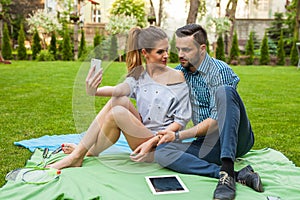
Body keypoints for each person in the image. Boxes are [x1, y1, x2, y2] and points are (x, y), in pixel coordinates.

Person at [48, 26, 191, 169]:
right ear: (145, 53)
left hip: (160, 146)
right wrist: (94, 91)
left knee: (117, 112)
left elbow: (180, 122)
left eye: (166, 49)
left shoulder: (178, 78)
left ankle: (78, 155)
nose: (166, 55)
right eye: (160, 52)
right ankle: (84, 153)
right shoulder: (140, 76)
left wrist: (153, 141)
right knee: (118, 100)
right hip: (142, 137)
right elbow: (119, 90)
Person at [153, 24, 263, 200]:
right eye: (178, 49)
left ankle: (227, 174)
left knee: (225, 92)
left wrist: (178, 135)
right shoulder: (180, 72)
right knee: (162, 152)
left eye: (186, 49)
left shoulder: (220, 71)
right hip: (208, 142)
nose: (180, 54)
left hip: (236, 137)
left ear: (202, 49)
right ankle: (234, 175)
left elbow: (215, 121)